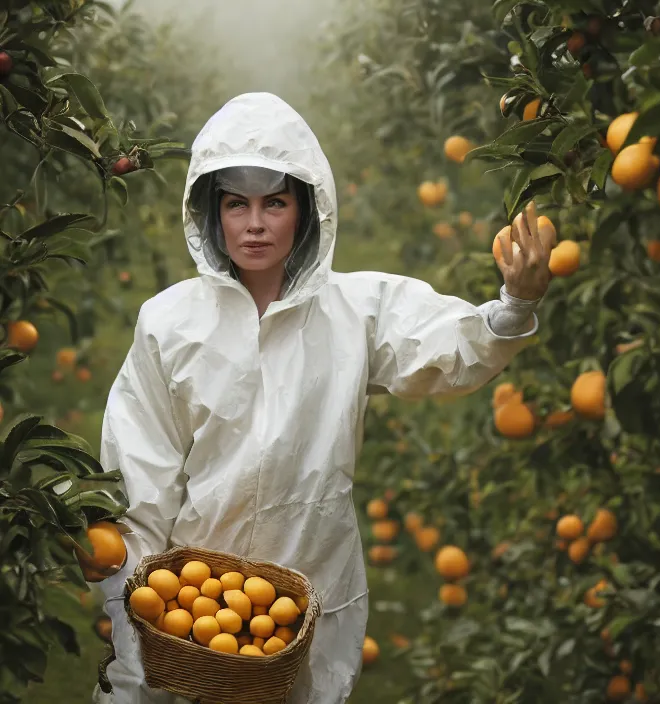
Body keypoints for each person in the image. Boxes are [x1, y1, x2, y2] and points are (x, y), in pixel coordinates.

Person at [91, 92, 552, 704]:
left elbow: (449, 347)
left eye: (275, 203)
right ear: (212, 212)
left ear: (307, 211)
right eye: (237, 204)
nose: (255, 223)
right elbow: (139, 471)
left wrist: (515, 303)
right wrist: (133, 608)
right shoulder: (169, 322)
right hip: (190, 600)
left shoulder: (354, 311)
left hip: (306, 590)